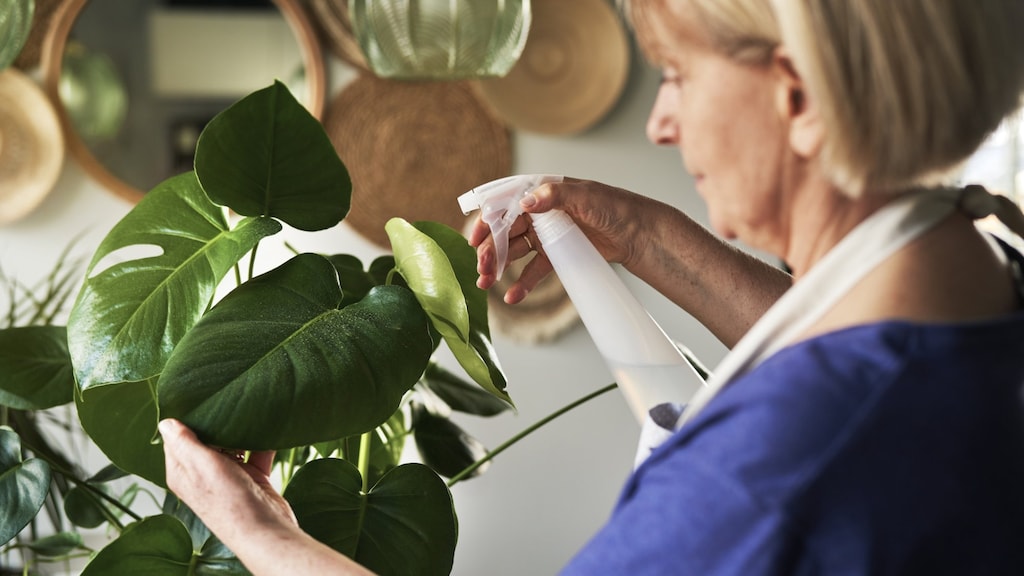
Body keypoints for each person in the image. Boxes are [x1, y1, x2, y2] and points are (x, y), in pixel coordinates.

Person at [160, 0, 1024, 573]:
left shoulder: (772, 473)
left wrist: (258, 531)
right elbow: (848, 355)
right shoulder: (965, 276)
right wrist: (644, 237)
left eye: (675, 74)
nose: (660, 122)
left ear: (798, 98)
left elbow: (823, 420)